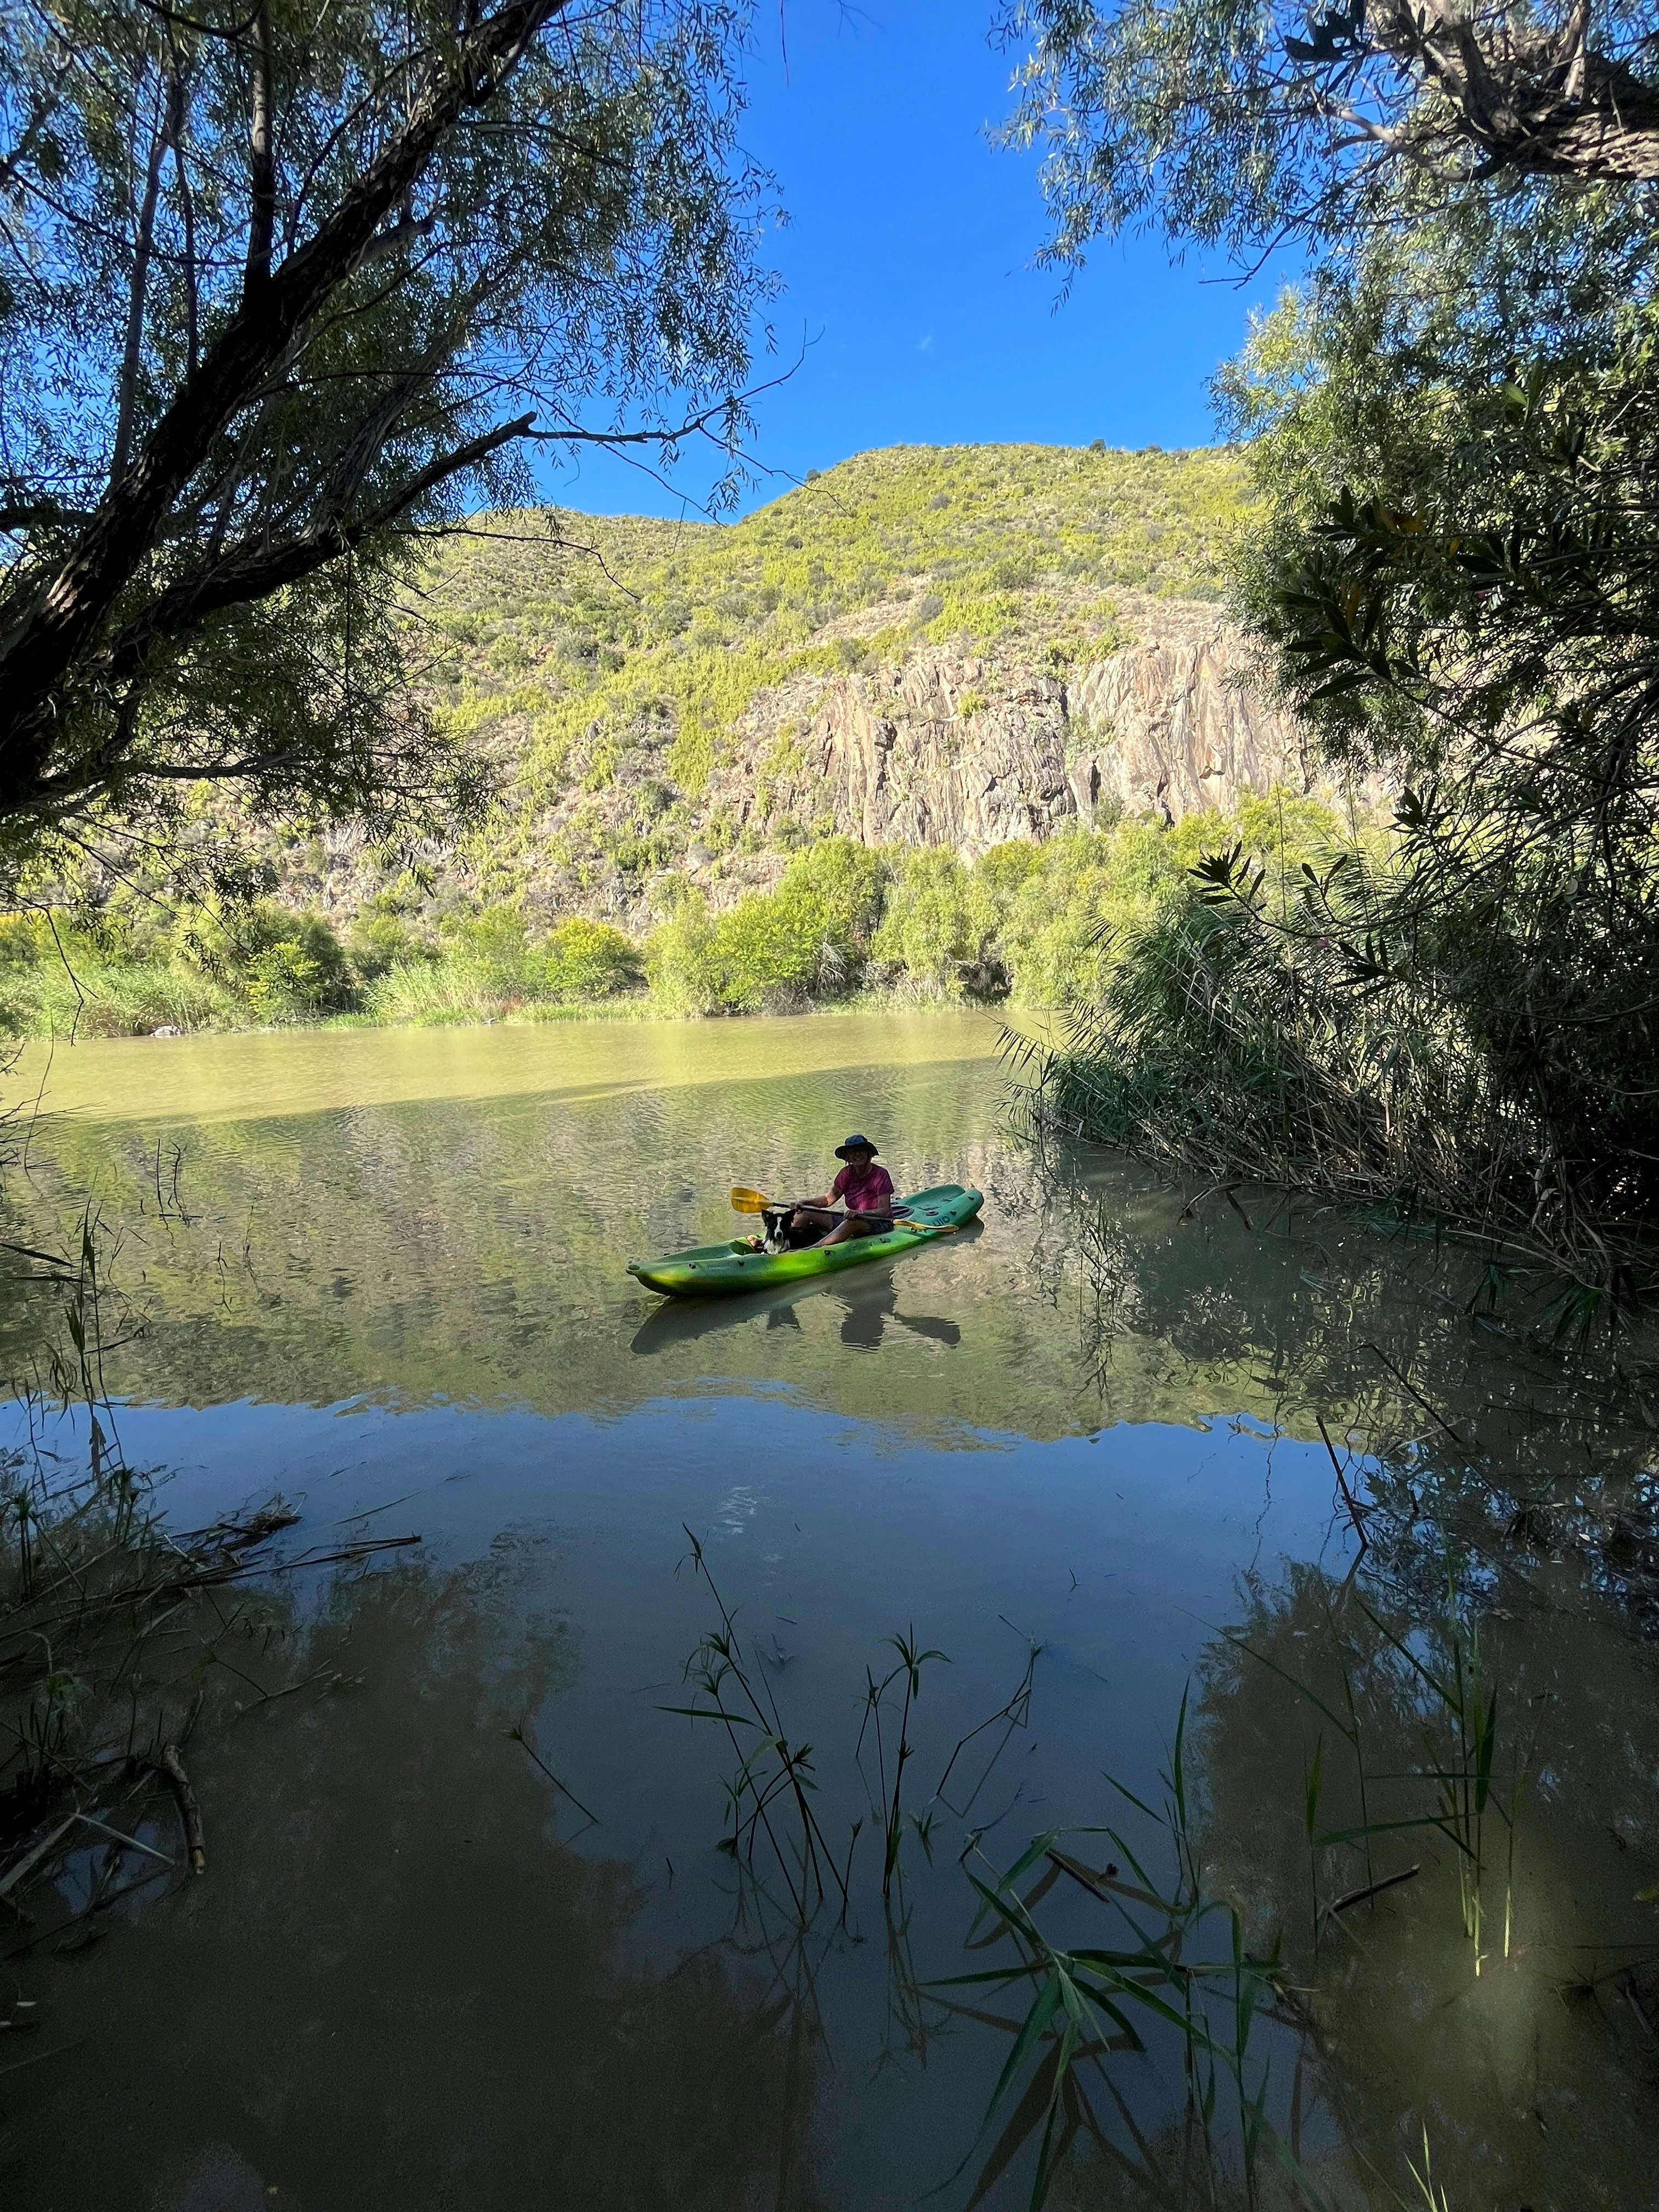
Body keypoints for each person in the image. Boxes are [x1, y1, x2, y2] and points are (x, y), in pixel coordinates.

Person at [788, 1136, 900, 1249]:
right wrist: (804, 1203)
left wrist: (860, 1213)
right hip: (852, 1218)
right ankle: (787, 1244)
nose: (857, 1154)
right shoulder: (845, 1174)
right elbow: (827, 1200)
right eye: (853, 1152)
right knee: (805, 1213)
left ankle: (811, 1250)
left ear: (868, 1154)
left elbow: (884, 1211)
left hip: (878, 1222)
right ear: (848, 1157)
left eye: (861, 1150)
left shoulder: (881, 1175)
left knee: (851, 1222)